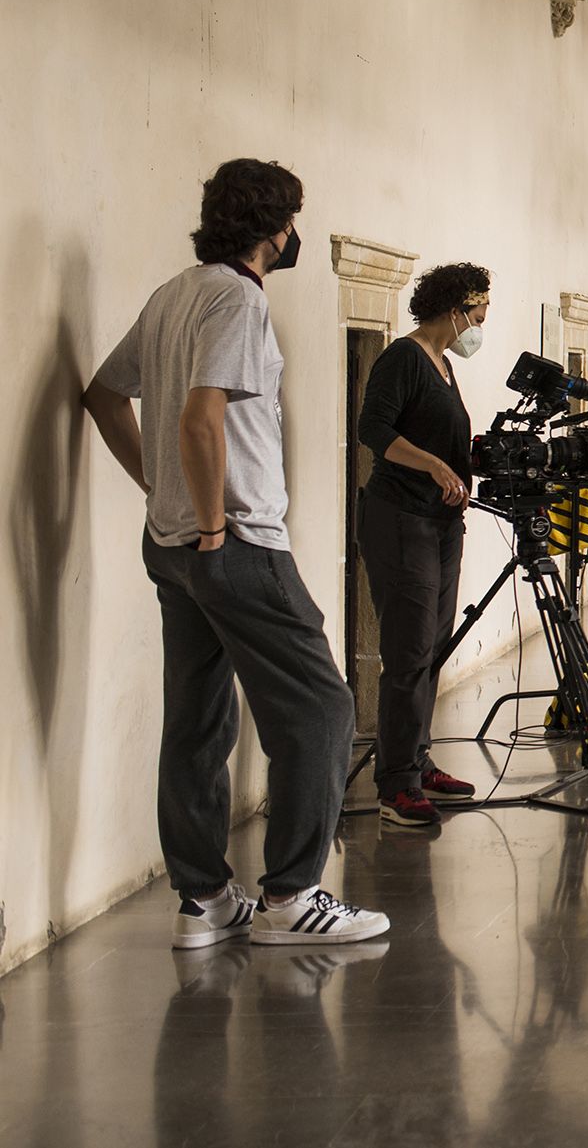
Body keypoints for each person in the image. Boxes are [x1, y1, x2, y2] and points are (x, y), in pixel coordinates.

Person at [80, 158, 392, 950]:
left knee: (197, 719)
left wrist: (163, 494)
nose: (293, 235)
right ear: (272, 227)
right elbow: (198, 416)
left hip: (171, 546)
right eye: (291, 220)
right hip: (237, 542)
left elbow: (105, 394)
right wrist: (214, 523)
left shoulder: (172, 295)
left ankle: (205, 900)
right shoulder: (237, 298)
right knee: (322, 709)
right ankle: (292, 895)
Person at [356, 262, 493, 828]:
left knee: (432, 648)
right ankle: (396, 787)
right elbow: (374, 429)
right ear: (454, 308)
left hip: (439, 526)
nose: (482, 322)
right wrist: (436, 466)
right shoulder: (403, 358)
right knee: (408, 652)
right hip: (400, 520)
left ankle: (417, 758)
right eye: (479, 312)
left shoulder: (441, 366)